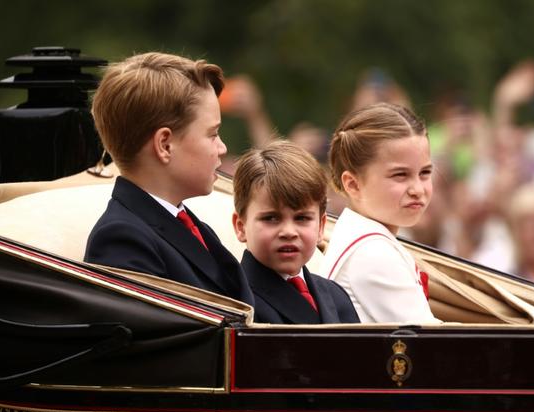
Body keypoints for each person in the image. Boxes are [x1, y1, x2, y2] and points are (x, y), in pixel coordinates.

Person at [84, 52, 254, 306]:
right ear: (165, 144)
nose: (222, 148)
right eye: (212, 134)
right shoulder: (122, 241)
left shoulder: (187, 224)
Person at [320, 103, 439, 324]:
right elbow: (432, 343)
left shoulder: (363, 238)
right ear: (353, 184)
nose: (417, 189)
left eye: (425, 173)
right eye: (400, 175)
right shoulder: (372, 252)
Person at [231, 141, 359, 324]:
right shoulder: (236, 301)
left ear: (321, 227)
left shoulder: (335, 295)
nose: (289, 232)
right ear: (241, 226)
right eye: (271, 218)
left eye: (302, 218)